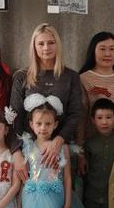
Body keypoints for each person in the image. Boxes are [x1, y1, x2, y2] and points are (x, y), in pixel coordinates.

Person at [9, 24, 84, 162]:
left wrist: (58, 141)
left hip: (62, 149)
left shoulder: (71, 76)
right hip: (28, 151)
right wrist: (16, 152)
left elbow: (75, 114)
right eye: (41, 43)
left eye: (51, 43)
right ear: (34, 46)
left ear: (58, 45)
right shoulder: (21, 76)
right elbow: (15, 117)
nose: (46, 48)